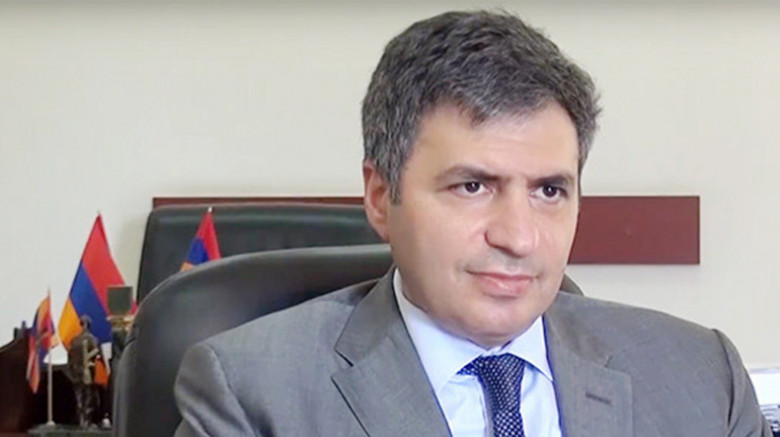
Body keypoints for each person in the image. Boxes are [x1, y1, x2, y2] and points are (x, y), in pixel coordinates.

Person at [173, 10, 771, 436]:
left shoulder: (703, 378)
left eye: (549, 191)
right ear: (380, 198)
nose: (519, 237)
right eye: (473, 186)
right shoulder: (252, 395)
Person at [66, 315, 102, 428]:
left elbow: (69, 358)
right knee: (88, 396)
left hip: (75, 372)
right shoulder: (92, 339)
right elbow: (97, 352)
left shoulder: (74, 341)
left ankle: (81, 420)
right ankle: (86, 421)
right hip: (88, 371)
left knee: (79, 397)